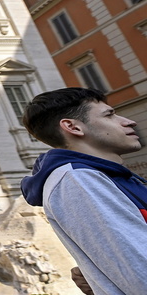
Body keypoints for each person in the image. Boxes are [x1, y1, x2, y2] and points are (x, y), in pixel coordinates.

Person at [20, 87, 147, 295]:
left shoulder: (100, 177)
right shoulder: (78, 180)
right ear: (73, 127)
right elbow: (141, 269)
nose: (128, 121)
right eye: (110, 115)